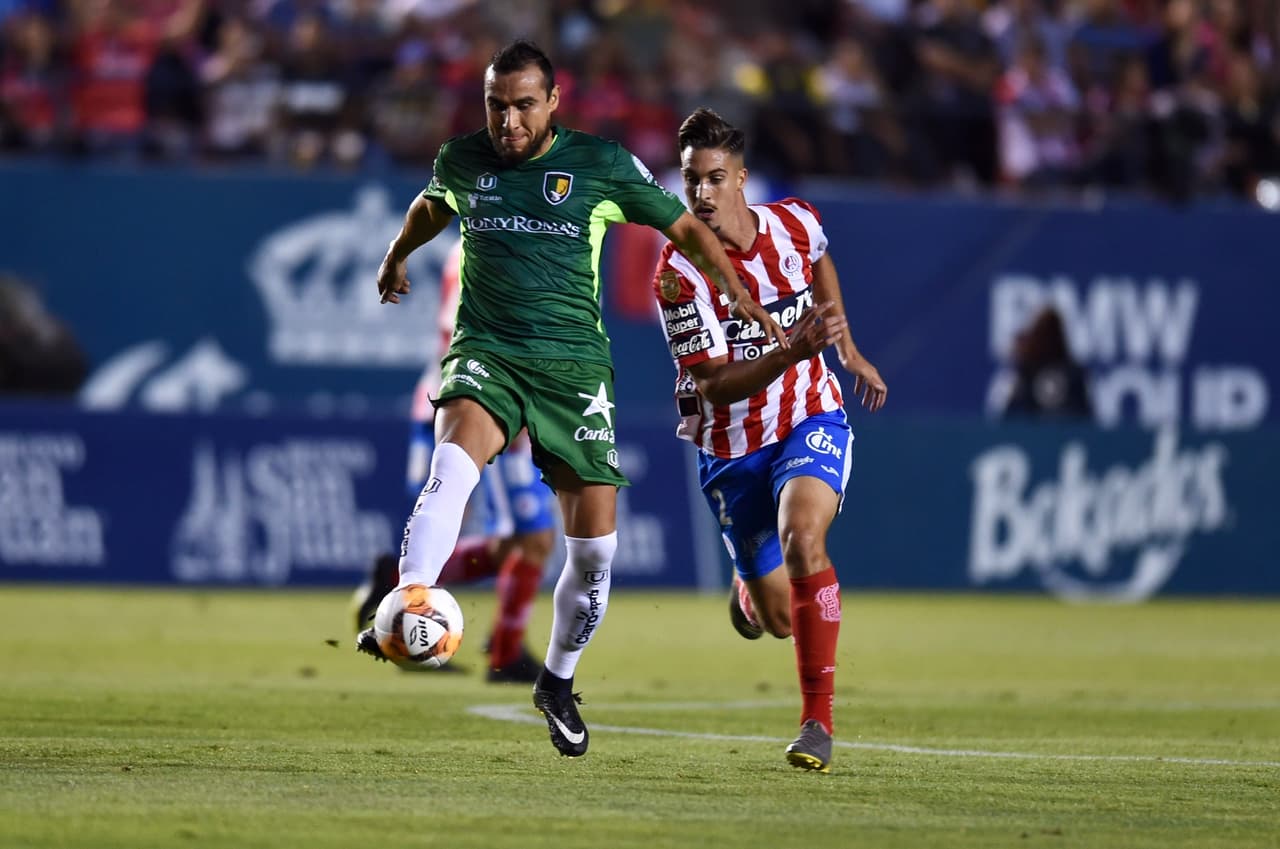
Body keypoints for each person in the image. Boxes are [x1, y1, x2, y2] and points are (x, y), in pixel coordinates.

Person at [356, 39, 786, 759]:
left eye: (525, 104)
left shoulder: (601, 164)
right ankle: (410, 599)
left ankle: (555, 680)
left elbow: (678, 223)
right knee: (452, 469)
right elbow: (434, 207)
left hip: (574, 370)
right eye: (497, 105)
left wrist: (735, 286)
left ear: (554, 102)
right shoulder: (463, 159)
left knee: (594, 555)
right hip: (487, 352)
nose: (509, 121)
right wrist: (396, 253)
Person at [651, 108, 887, 772]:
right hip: (732, 449)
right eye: (691, 179)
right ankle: (750, 588)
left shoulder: (794, 222)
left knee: (804, 537)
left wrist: (845, 347)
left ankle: (817, 722)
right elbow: (717, 385)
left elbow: (818, 263)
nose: (700, 193)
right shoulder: (679, 273)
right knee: (778, 619)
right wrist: (790, 352)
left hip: (810, 414)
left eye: (714, 177)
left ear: (742, 178)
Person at [351, 237, 556, 684]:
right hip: (483, 404)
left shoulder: (497, 243)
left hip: (477, 399)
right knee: (531, 539)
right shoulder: (489, 248)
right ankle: (500, 649)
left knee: (521, 542)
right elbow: (456, 336)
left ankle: (404, 585)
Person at [1001, 305, 1092, 419]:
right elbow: (1011, 418)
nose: (1047, 339)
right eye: (1043, 332)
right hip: (1031, 435)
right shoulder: (1026, 373)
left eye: (1051, 333)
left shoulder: (1074, 375)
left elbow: (1085, 418)